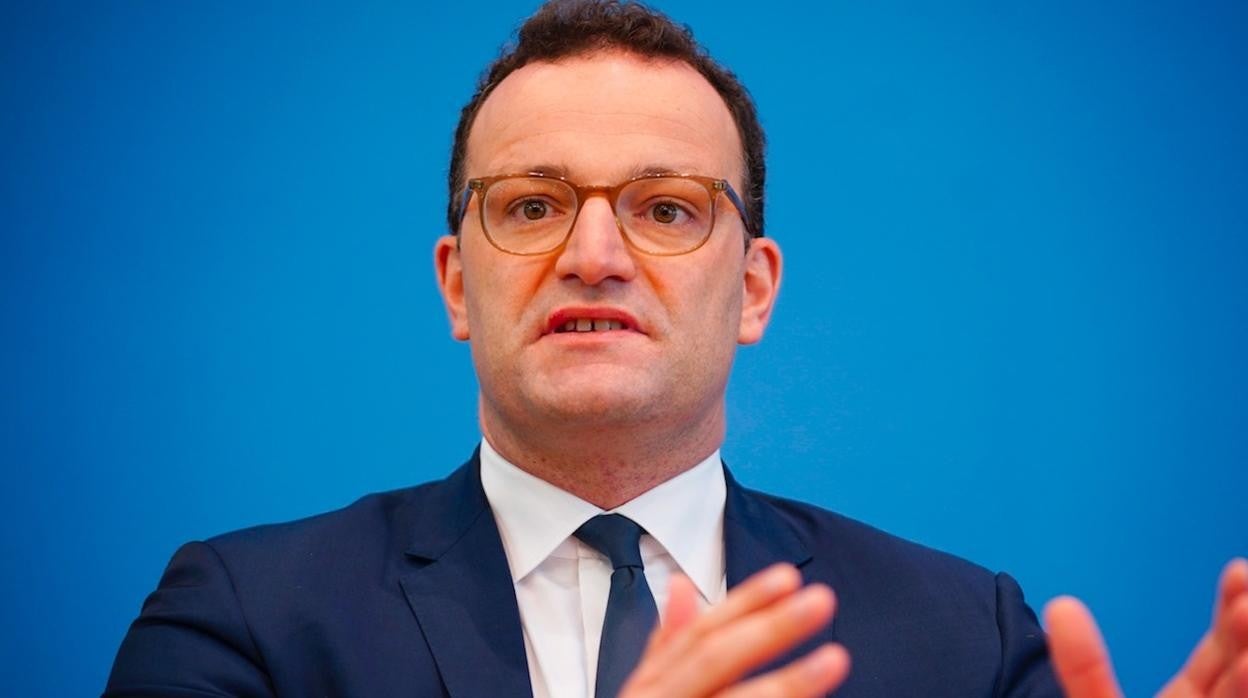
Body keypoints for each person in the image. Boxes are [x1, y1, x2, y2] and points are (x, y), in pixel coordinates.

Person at [106, 1, 1248, 696]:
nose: (594, 255)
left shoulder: (966, 640)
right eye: (533, 205)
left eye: (665, 209)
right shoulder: (247, 619)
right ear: (458, 282)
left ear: (752, 289)